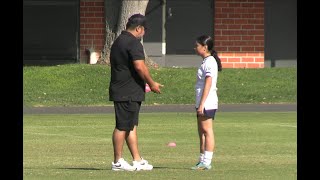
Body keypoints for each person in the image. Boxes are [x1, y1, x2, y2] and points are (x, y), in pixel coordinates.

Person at [109, 13, 163, 171]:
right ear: (138, 28)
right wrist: (152, 83)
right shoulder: (133, 43)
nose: (144, 32)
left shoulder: (118, 41)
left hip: (125, 89)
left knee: (130, 125)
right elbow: (140, 66)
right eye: (144, 29)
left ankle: (137, 160)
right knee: (122, 126)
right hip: (127, 91)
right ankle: (117, 161)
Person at [191, 35, 222, 170]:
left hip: (207, 101)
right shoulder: (205, 61)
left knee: (207, 130)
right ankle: (202, 159)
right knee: (201, 131)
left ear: (205, 47)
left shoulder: (210, 62)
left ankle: (207, 161)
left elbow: (208, 84)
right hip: (201, 101)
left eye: (197, 45)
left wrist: (202, 104)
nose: (195, 48)